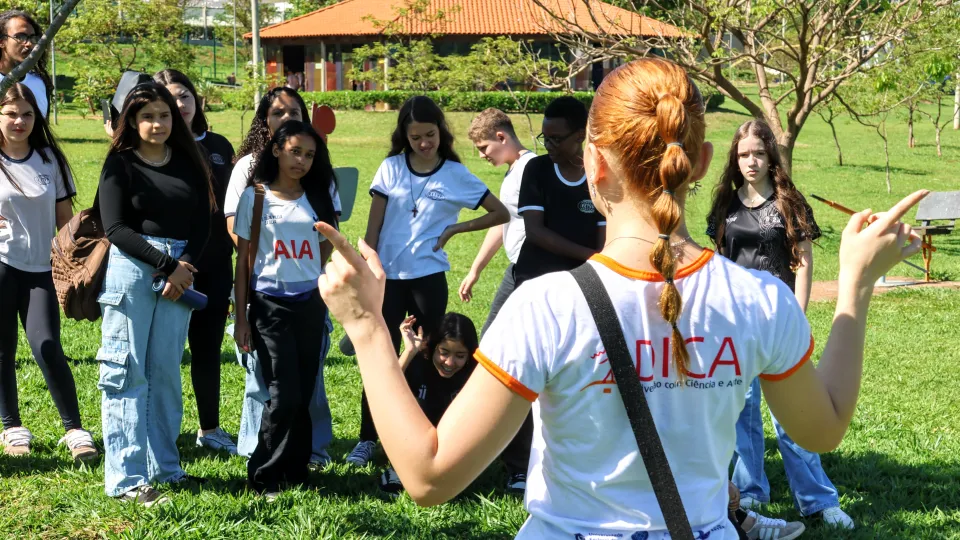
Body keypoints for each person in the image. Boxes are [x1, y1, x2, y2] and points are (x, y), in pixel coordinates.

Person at [314, 57, 927, 538]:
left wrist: (367, 325)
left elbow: (427, 476)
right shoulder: (759, 300)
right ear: (704, 162)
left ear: (592, 165)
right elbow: (822, 430)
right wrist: (856, 284)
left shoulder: (544, 307)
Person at [344, 95, 509, 468]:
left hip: (428, 280)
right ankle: (368, 438)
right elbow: (372, 230)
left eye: (430, 135)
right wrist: (366, 268)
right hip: (387, 280)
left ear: (441, 132)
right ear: (404, 135)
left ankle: (424, 435)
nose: (423, 143)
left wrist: (455, 228)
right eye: (415, 136)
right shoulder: (389, 168)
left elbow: (500, 213)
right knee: (382, 361)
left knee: (426, 358)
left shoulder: (455, 174)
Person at [707, 120, 854, 529]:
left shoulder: (789, 202)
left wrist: (798, 315)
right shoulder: (725, 203)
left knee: (793, 417)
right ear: (734, 160)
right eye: (742, 155)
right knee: (743, 414)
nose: (750, 161)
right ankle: (750, 496)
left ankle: (818, 501)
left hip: (780, 321)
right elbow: (720, 259)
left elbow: (802, 261)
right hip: (735, 321)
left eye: (757, 153)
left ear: (770, 155)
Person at [96, 81, 214, 506]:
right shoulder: (120, 165)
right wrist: (167, 267)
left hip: (180, 271)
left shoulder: (188, 161)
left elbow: (204, 220)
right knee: (127, 372)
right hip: (134, 270)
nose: (158, 123)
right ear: (131, 120)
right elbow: (115, 228)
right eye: (147, 116)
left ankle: (166, 468)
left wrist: (183, 270)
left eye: (164, 115)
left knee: (164, 372)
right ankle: (127, 481)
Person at [224, 87, 340, 467]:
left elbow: (329, 242)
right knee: (280, 393)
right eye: (295, 152)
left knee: (304, 392)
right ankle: (264, 471)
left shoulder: (319, 194)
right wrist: (241, 316)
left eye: (309, 155)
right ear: (276, 148)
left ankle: (297, 466)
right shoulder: (254, 194)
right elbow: (243, 259)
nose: (302, 161)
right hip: (268, 305)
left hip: (309, 303)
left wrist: (307, 271)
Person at [0, 83, 97, 461]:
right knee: (3, 350)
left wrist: (77, 263)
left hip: (42, 269)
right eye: (10, 113)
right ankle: (12, 428)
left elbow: (65, 222)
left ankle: (74, 429)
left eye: (27, 114)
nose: (19, 121)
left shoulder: (49, 159)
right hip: (3, 265)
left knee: (46, 345)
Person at [154, 69, 238, 455]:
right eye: (170, 97)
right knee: (165, 354)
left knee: (207, 349)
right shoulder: (156, 149)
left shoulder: (219, 145)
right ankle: (163, 429)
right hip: (169, 266)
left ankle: (210, 428)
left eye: (185, 95)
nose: (180, 104)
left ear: (195, 100)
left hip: (217, 263)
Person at [459, 108, 536, 491]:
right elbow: (504, 222)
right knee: (489, 353)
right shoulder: (513, 174)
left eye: (484, 147)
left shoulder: (532, 170)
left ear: (503, 137)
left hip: (532, 274)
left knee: (503, 359)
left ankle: (519, 458)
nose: (482, 155)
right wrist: (475, 269)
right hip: (514, 271)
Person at [379, 313, 478, 494]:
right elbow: (385, 393)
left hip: (451, 443)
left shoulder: (475, 371)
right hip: (412, 440)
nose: (449, 362)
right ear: (433, 346)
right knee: (418, 404)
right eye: (444, 352)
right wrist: (409, 351)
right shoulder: (417, 361)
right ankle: (399, 469)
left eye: (460, 355)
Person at [512, 96, 605, 288]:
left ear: (580, 135)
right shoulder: (537, 169)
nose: (548, 145)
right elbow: (535, 232)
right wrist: (593, 257)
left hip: (582, 281)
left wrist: (600, 264)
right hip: (534, 277)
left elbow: (605, 234)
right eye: (545, 138)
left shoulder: (599, 174)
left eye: (555, 139)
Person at [0, 11, 50, 118]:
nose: (29, 44)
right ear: (1, 41)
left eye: (32, 38)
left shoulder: (39, 83)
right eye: (20, 37)